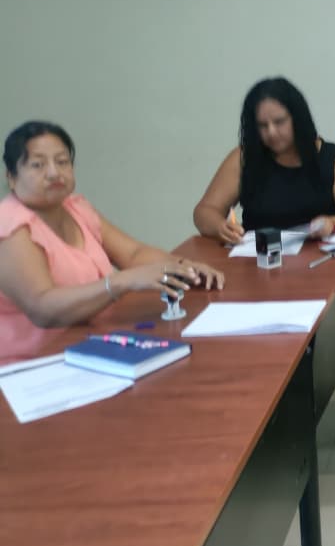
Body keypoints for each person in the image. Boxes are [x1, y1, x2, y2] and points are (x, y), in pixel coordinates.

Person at [0, 121, 224, 364]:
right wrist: (119, 283)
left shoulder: (75, 208)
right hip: (35, 365)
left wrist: (183, 268)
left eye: (62, 161)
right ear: (11, 177)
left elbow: (134, 254)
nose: (54, 172)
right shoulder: (10, 226)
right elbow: (43, 309)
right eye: (38, 165)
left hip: (91, 345)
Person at [194, 77, 335, 244]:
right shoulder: (243, 158)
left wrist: (334, 223)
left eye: (279, 122)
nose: (271, 132)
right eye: (262, 125)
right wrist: (220, 227)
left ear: (297, 118)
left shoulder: (332, 157)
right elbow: (204, 211)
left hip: (320, 254)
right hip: (259, 255)